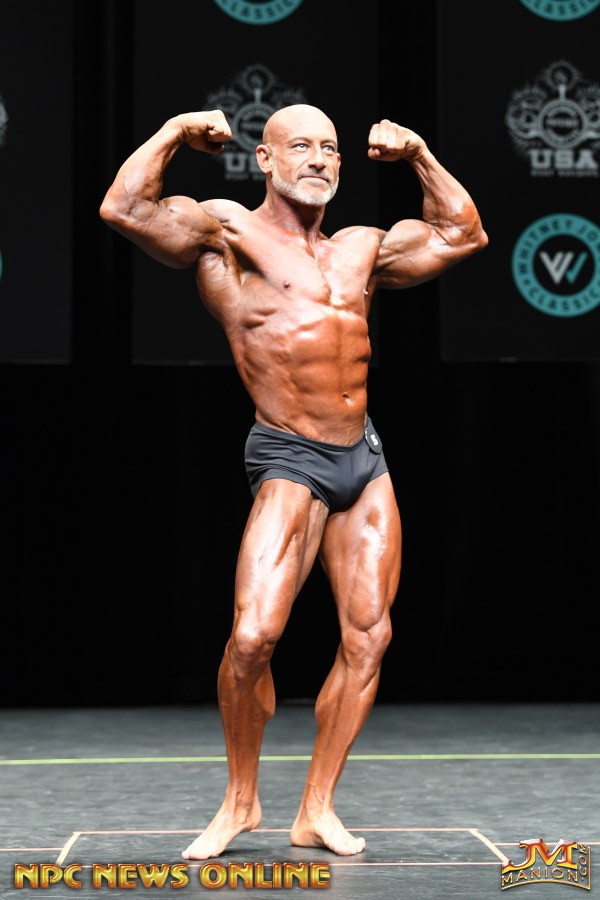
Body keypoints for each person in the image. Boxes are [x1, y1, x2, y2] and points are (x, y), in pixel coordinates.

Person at [99, 104, 488, 860]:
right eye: (300, 146)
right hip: (289, 452)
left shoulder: (362, 248)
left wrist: (418, 153)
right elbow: (126, 208)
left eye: (330, 149)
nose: (318, 159)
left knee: (369, 637)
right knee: (252, 639)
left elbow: (462, 233)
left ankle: (316, 809)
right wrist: (175, 132)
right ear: (265, 161)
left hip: (363, 460)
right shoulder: (228, 233)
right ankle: (241, 799)